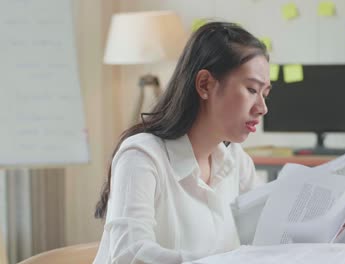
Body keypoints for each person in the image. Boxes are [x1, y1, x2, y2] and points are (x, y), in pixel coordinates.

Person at [93, 21, 271, 264]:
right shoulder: (141, 157)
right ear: (205, 84)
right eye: (252, 89)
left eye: (265, 93)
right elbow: (130, 254)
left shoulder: (235, 159)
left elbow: (271, 229)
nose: (262, 108)